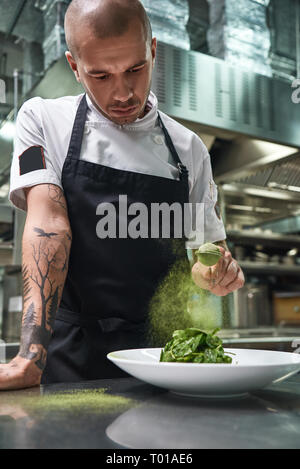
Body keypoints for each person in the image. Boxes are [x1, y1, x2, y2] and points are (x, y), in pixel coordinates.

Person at [0, 0, 244, 390]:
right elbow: (48, 225)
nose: (123, 92)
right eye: (100, 76)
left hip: (166, 359)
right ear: (74, 66)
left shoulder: (189, 149)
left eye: (135, 68)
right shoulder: (43, 120)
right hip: (73, 356)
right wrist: (30, 355)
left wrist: (216, 273)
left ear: (152, 50)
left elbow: (204, 253)